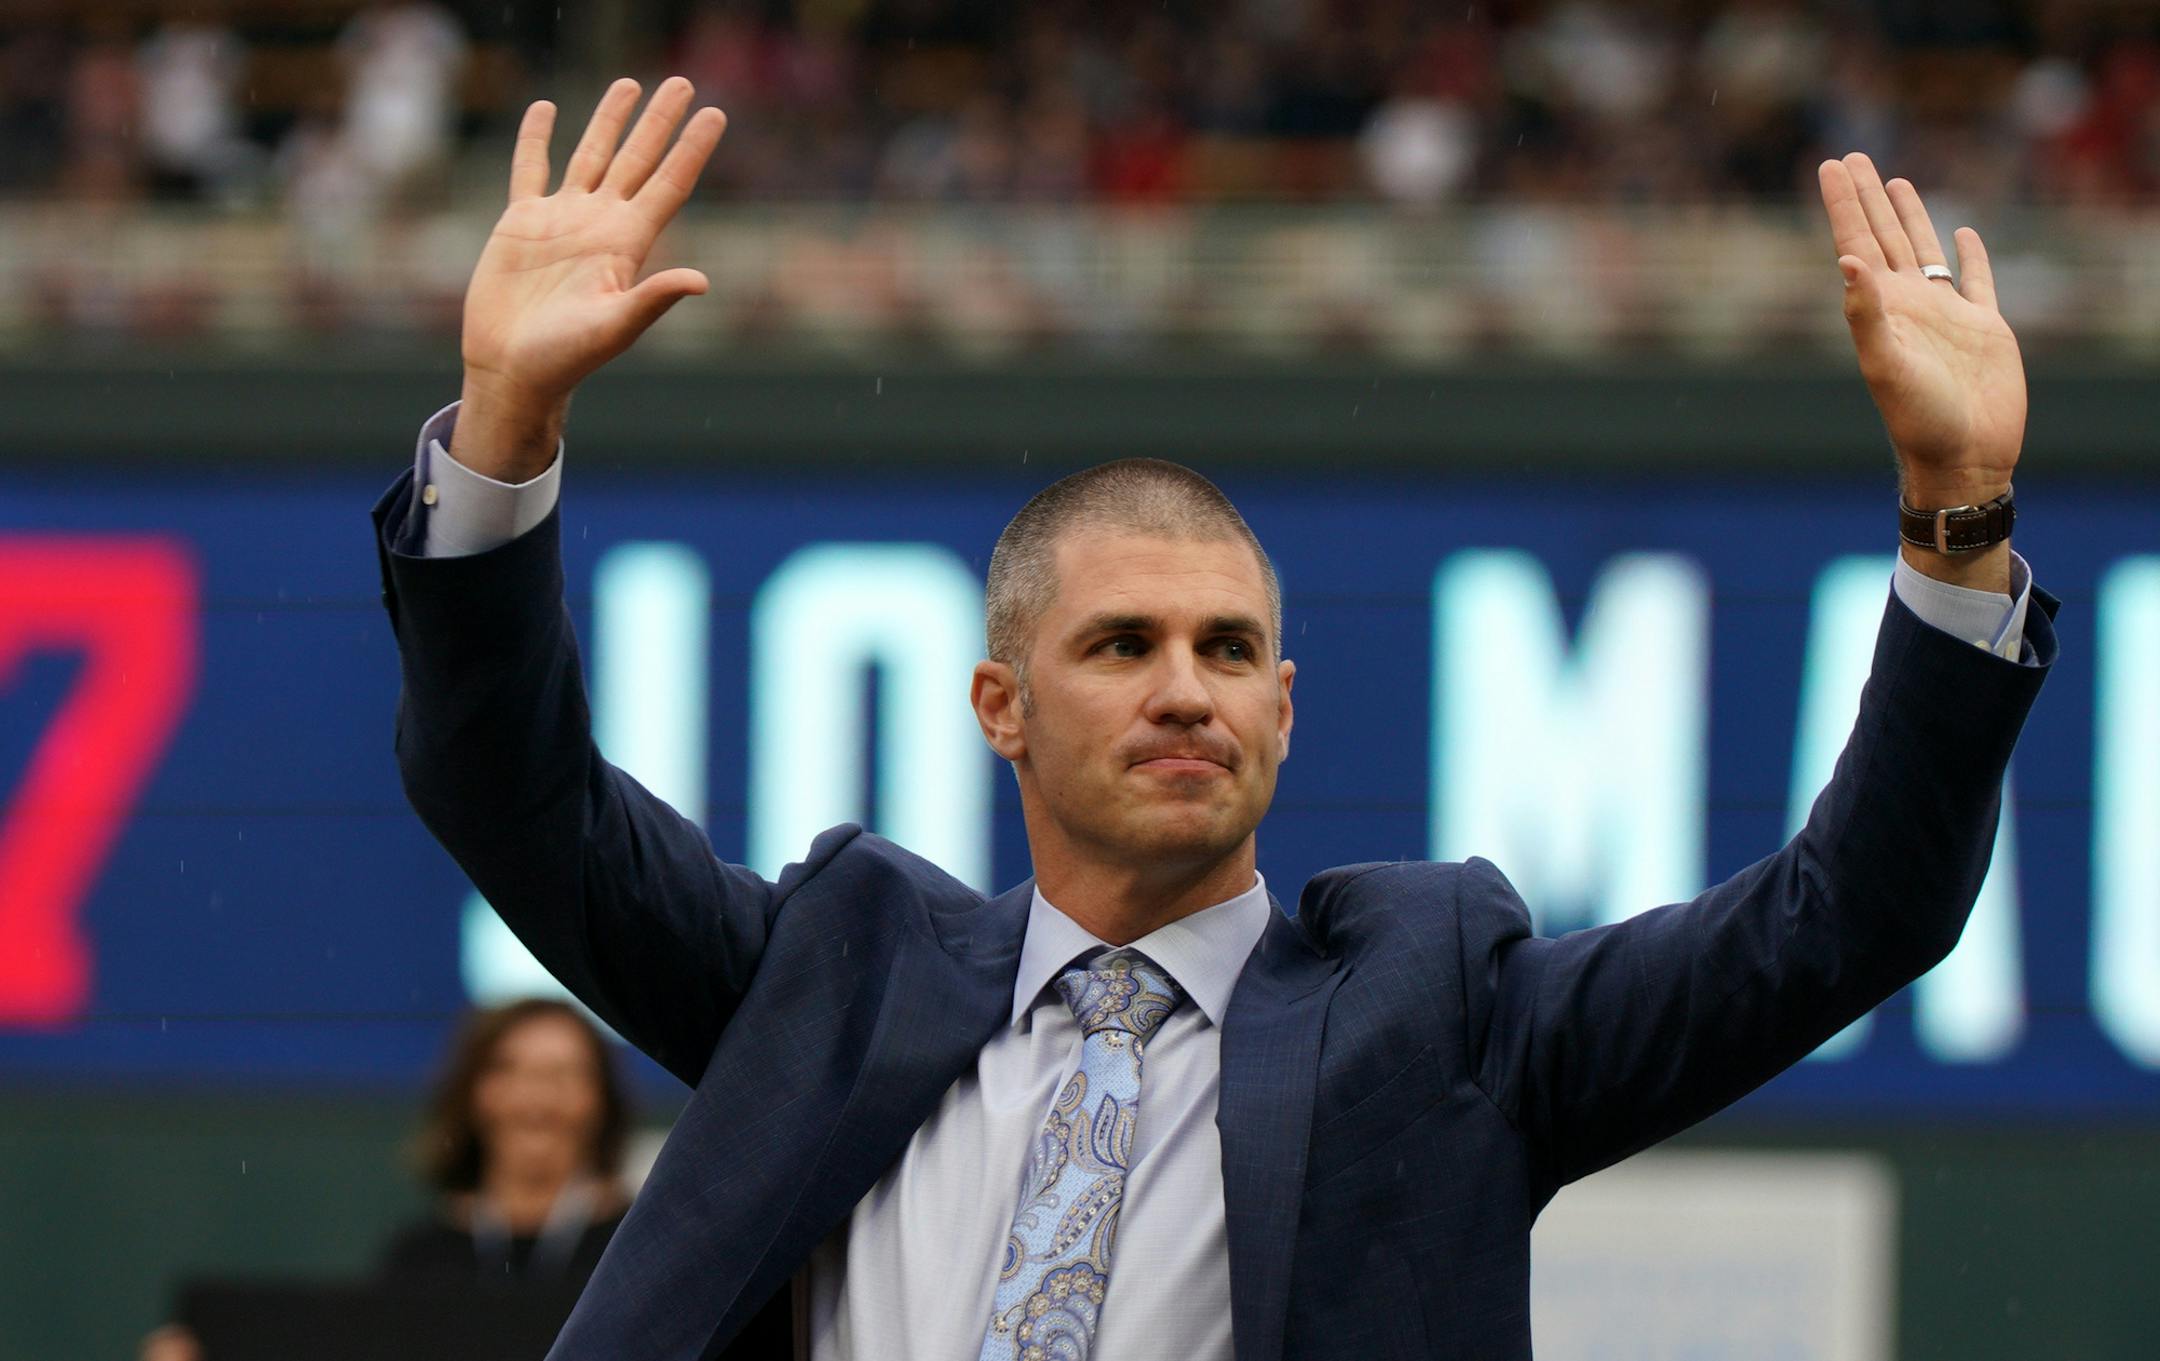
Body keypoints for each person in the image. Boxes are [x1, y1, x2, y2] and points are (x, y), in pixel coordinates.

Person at [372, 78, 2050, 1361]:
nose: (1187, 685)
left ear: (1286, 706)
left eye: (1230, 647)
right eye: (1122, 643)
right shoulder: (832, 970)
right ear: (1000, 707)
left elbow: (1857, 912)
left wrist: (1954, 507)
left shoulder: (1444, 1022)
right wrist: (508, 423)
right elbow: (506, 786)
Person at [139, 999, 632, 1361]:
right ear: (475, 1095)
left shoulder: (641, 1249)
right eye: (511, 1070)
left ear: (601, 1100)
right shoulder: (419, 1257)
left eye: (565, 1073)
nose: (538, 1097)